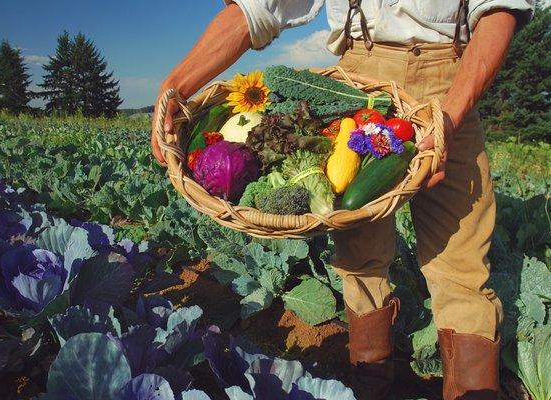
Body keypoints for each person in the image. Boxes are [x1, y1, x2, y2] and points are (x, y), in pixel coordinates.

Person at [152, 1, 535, 399]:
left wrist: (451, 115)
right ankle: (370, 386)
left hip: (452, 81)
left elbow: (498, 9)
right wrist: (173, 86)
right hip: (361, 81)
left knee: (462, 263)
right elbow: (258, 7)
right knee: (360, 261)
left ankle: (474, 391)